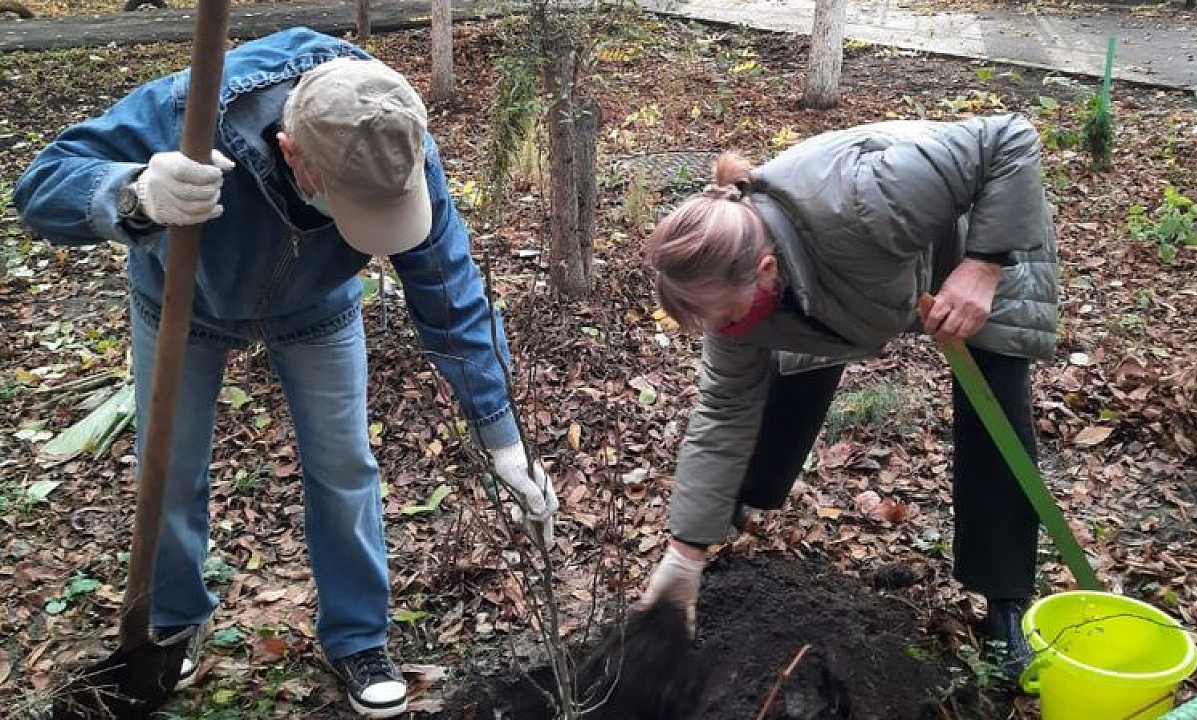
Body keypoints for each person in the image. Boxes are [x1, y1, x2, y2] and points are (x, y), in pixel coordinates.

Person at [14, 27, 558, 719]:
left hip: (318, 307)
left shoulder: (392, 128)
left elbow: (447, 291)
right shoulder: (194, 107)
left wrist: (501, 435)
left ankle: (359, 637)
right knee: (172, 469)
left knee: (344, 466)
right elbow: (39, 185)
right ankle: (176, 623)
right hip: (187, 303)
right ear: (293, 153)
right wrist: (133, 196)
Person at [637, 114, 1059, 680]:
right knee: (766, 392)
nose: (726, 332)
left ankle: (1005, 605)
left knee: (993, 415)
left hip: (979, 235)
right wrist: (682, 555)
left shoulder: (866, 198)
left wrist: (983, 268)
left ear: (764, 273)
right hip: (855, 282)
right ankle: (729, 521)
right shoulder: (735, 297)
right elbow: (722, 411)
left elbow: (1010, 139)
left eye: (729, 317)